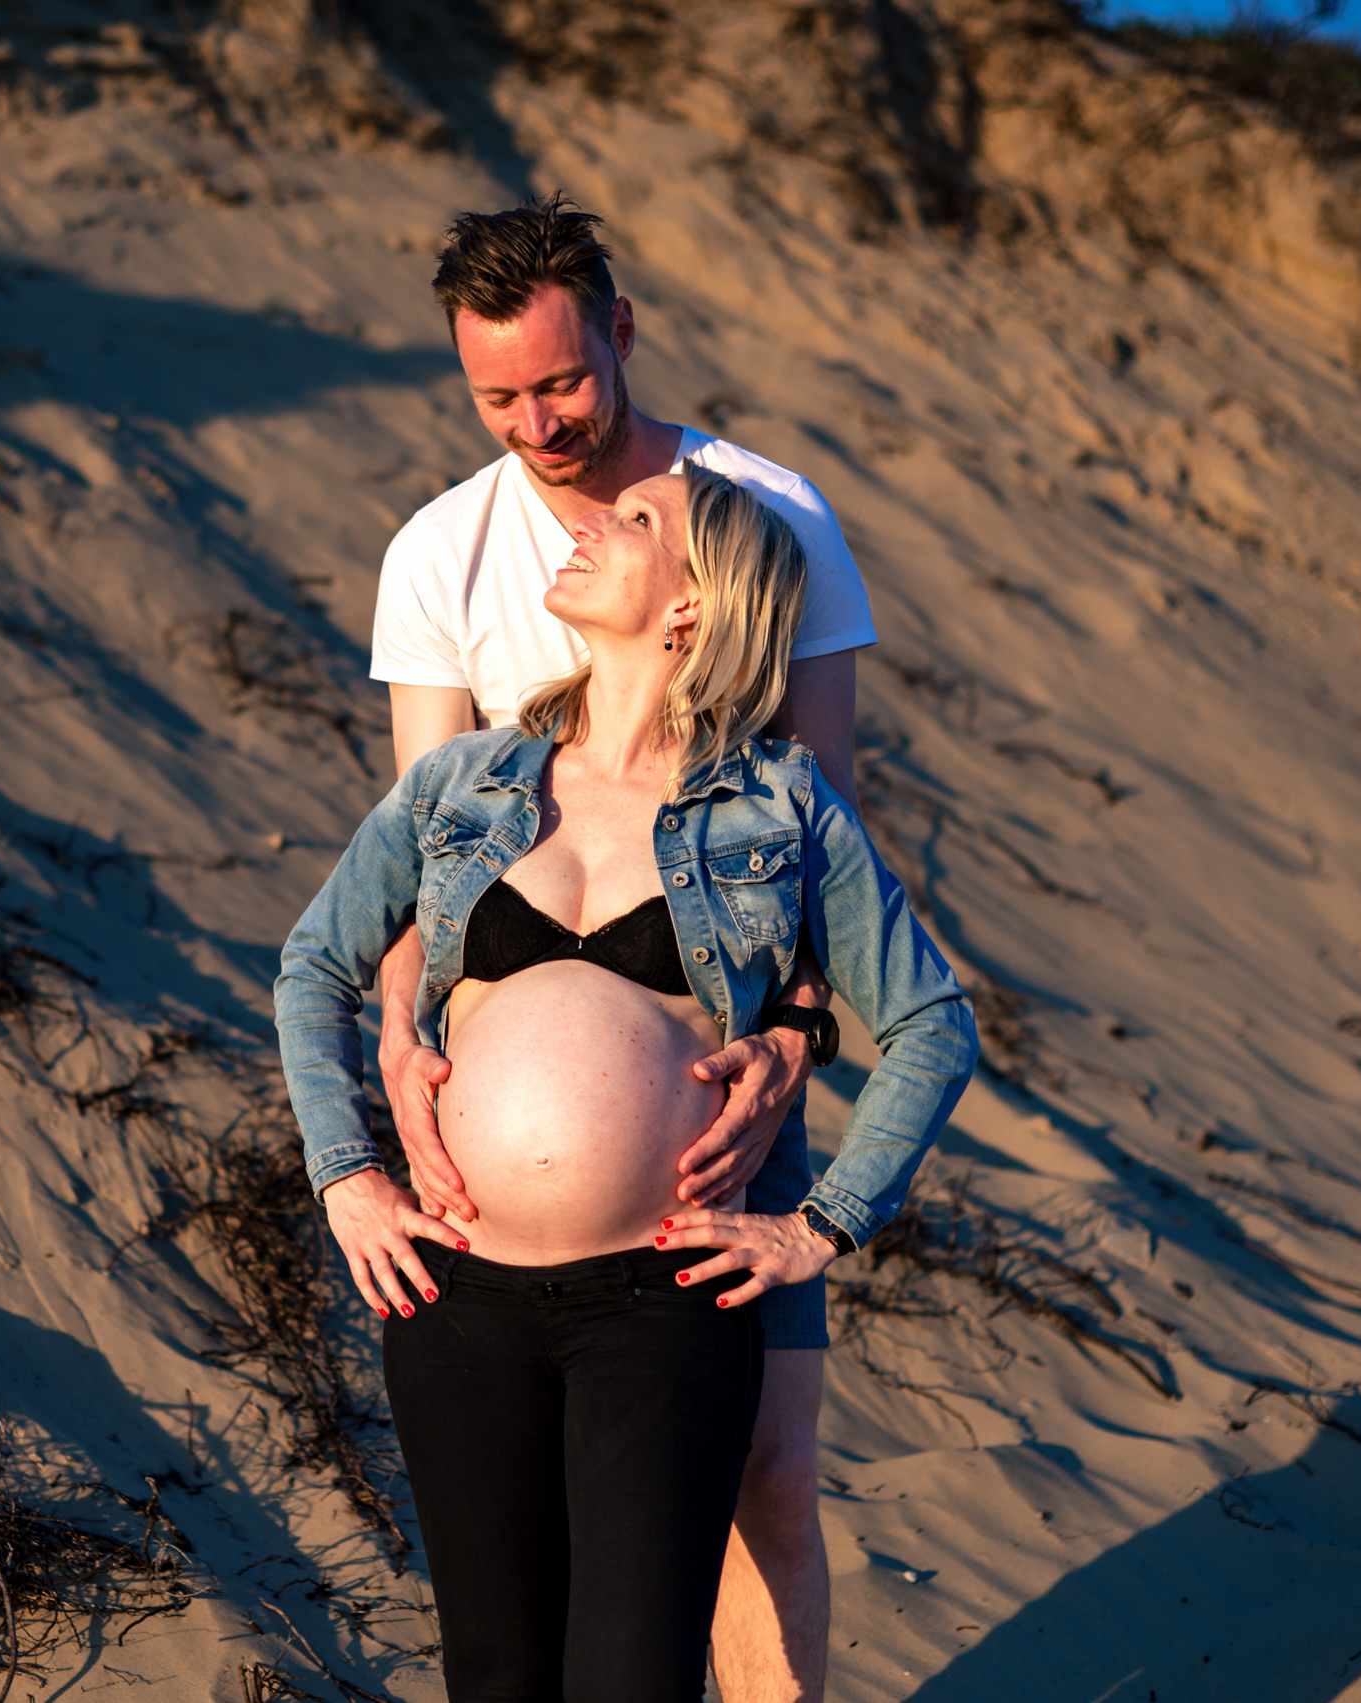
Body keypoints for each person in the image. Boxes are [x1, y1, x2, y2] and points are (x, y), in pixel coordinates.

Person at [278, 465, 974, 1698]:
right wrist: (346, 1175)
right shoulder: (464, 784)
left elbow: (929, 1022)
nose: (594, 521)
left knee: (631, 1677)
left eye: (638, 520)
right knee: (498, 1675)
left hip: (662, 1305)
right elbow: (314, 963)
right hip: (457, 1292)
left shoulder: (782, 806)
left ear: (692, 610)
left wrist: (820, 1226)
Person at [366, 194, 876, 1698]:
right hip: (489, 1158)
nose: (540, 424)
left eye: (564, 381)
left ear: (623, 331)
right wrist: (400, 1047)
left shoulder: (760, 514)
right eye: (499, 396)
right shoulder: (440, 557)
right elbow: (412, 865)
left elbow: (826, 820)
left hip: (723, 1089)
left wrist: (790, 1041)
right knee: (542, 1548)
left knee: (769, 1482)